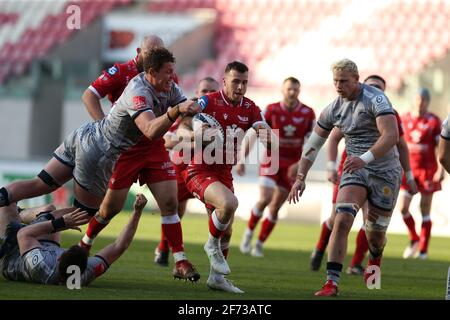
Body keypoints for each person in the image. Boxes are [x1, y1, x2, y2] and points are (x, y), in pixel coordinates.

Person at [0, 47, 201, 282]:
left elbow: (184, 107)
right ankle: (39, 221)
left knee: (41, 183)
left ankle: (13, 210)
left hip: (86, 134)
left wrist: (192, 113)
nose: (172, 77)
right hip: (99, 153)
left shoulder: (166, 86)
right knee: (85, 213)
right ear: (151, 72)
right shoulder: (138, 91)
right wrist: (176, 111)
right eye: (167, 72)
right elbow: (150, 131)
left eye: (172, 72)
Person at [288, 59, 402, 297]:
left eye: (343, 81)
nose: (338, 86)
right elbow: (313, 144)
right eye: (335, 81)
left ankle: (375, 258)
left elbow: (391, 135)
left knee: (375, 235)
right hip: (355, 170)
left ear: (356, 79)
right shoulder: (333, 108)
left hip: (385, 172)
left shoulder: (376, 99)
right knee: (342, 220)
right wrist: (300, 177)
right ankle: (331, 283)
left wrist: (365, 158)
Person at [178, 61, 273, 293]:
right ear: (224, 81)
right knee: (230, 204)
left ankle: (216, 279)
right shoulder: (207, 102)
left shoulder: (250, 107)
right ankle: (210, 245)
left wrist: (265, 135)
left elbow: (266, 133)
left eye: (244, 83)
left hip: (224, 173)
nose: (240, 87)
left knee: (227, 229)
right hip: (199, 169)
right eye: (236, 82)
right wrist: (199, 137)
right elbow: (184, 128)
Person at [310, 75, 418, 275]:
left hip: (381, 173)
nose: (375, 90)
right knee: (339, 217)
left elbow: (400, 143)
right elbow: (333, 138)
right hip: (351, 169)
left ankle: (360, 263)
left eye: (379, 87)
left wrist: (409, 175)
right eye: (372, 86)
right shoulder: (349, 108)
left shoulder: (389, 114)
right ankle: (320, 253)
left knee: (371, 225)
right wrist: (331, 166)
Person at [237, 77, 315, 257]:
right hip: (272, 159)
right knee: (265, 198)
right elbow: (255, 133)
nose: (292, 92)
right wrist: (242, 159)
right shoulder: (271, 110)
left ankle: (259, 243)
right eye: (289, 89)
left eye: (295, 89)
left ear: (299, 91)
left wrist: (300, 164)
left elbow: (312, 143)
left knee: (275, 207)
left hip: (292, 164)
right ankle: (248, 233)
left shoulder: (308, 113)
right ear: (282, 90)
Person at [0, 194, 147, 286]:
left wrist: (62, 223)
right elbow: (119, 246)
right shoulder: (85, 273)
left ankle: (17, 215)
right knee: (50, 210)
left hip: (13, 255)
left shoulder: (41, 264)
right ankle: (24, 214)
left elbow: (23, 235)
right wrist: (137, 212)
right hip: (43, 246)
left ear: (58, 259)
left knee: (8, 206)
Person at [155, 77, 220, 266]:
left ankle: (215, 257)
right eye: (204, 91)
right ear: (197, 94)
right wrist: (197, 140)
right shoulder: (184, 113)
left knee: (216, 211)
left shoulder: (220, 114)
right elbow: (167, 141)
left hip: (208, 171)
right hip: (181, 170)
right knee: (175, 212)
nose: (208, 95)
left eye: (212, 92)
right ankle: (163, 248)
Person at [398, 88, 443, 260]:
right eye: (418, 98)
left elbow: (441, 148)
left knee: (424, 210)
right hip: (408, 170)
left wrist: (440, 169)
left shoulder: (433, 121)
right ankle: (414, 238)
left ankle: (423, 250)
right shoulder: (404, 119)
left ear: (428, 101)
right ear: (413, 100)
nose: (420, 102)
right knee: (403, 208)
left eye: (423, 99)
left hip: (427, 171)